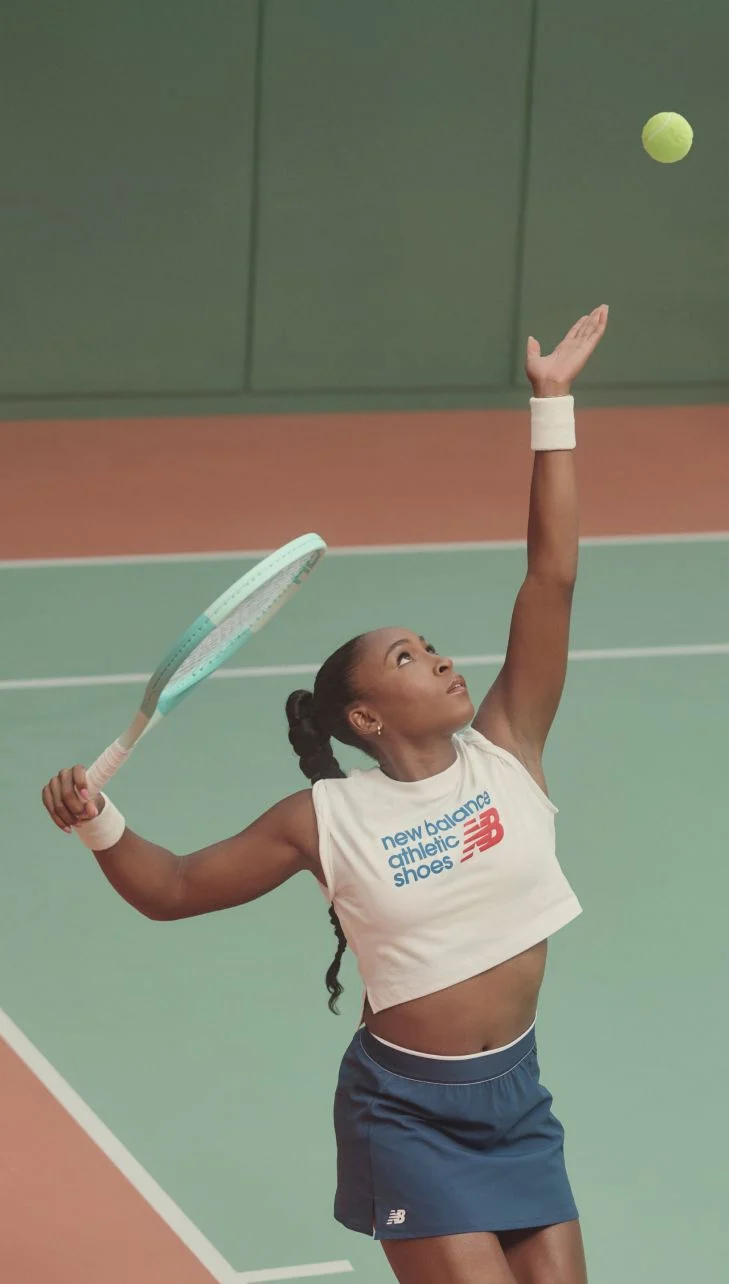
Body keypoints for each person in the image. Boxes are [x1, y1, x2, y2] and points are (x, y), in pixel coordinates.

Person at [42, 305, 609, 1284]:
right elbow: (175, 887)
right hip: (410, 1115)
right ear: (365, 720)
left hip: (515, 1097)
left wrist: (552, 405)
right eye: (405, 657)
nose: (435, 659)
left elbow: (550, 577)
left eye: (429, 645)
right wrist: (100, 823)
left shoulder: (508, 748)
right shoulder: (327, 820)